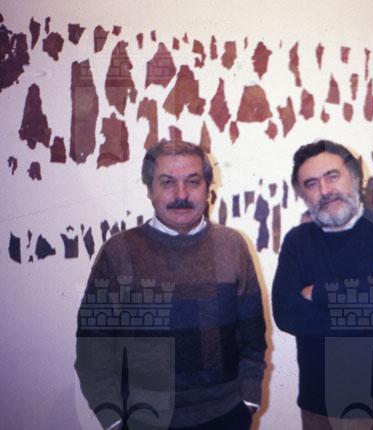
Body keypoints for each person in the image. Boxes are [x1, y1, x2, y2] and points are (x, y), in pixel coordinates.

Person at [75, 139, 266, 430]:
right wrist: (113, 420)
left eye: (193, 181)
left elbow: (253, 337)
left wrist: (249, 400)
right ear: (149, 190)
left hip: (225, 415)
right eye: (167, 182)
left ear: (208, 187)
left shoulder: (232, 246)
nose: (181, 194)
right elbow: (92, 346)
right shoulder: (118, 252)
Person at [272, 139, 373, 430]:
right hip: (321, 407)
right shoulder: (297, 242)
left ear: (354, 177)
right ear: (303, 195)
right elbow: (286, 314)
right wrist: (370, 297)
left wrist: (316, 292)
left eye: (332, 176)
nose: (325, 190)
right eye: (311, 184)